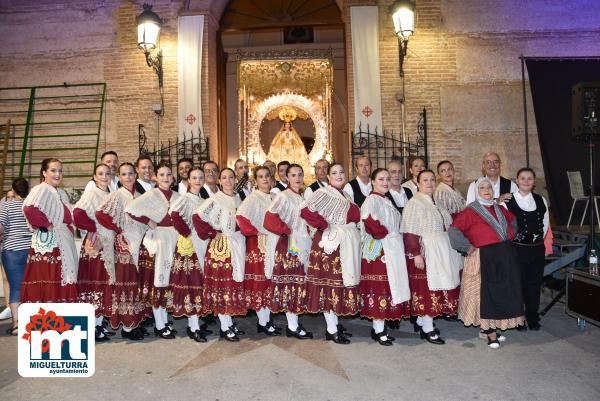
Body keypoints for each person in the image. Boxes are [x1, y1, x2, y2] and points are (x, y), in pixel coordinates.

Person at [449, 177, 525, 348]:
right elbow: (454, 231)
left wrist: (509, 236)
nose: (487, 190)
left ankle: (492, 327)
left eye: (489, 187)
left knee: (500, 294)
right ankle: (488, 331)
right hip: (483, 257)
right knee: (485, 295)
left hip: (503, 256)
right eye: (482, 187)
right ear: (477, 191)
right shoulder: (470, 211)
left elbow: (514, 222)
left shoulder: (500, 209)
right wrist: (466, 247)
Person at [400, 170, 462, 345]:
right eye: (425, 180)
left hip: (441, 249)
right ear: (417, 183)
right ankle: (428, 328)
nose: (429, 183)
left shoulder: (438, 202)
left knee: (438, 286)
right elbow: (409, 230)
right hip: (426, 251)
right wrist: (416, 253)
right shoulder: (415, 203)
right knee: (427, 291)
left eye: (432, 180)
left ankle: (421, 322)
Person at [302, 162, 361, 344]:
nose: (339, 175)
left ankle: (334, 324)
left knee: (340, 284)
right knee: (331, 286)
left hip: (344, 244)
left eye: (341, 172)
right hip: (330, 246)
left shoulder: (345, 194)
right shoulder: (323, 193)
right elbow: (305, 211)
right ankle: (331, 329)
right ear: (328, 177)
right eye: (334, 173)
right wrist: (325, 226)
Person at [126, 163, 181, 339]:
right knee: (159, 279)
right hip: (159, 239)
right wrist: (148, 220)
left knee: (170, 280)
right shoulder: (151, 195)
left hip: (175, 238)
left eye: (169, 174)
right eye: (162, 175)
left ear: (173, 177)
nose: (166, 178)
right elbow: (131, 209)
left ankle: (164, 319)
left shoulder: (179, 196)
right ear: (156, 177)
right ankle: (159, 324)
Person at [96, 163, 148, 340]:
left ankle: (135, 321)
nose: (128, 177)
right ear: (120, 177)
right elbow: (100, 213)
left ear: (135, 175)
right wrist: (118, 227)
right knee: (126, 283)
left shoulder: (140, 195)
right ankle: (127, 326)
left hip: (141, 244)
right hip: (125, 245)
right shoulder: (117, 195)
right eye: (124, 174)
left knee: (137, 284)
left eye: (131, 173)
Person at [193, 168, 246, 341]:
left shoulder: (239, 198)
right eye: (224, 178)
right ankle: (225, 326)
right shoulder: (215, 199)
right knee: (223, 286)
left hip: (237, 244)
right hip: (221, 249)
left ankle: (229, 323)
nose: (228, 181)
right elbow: (197, 217)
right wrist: (211, 233)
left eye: (231, 177)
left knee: (232, 286)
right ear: (219, 180)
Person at [360, 169, 411, 346]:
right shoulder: (372, 199)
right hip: (380, 250)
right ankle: (378, 329)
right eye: (381, 179)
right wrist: (383, 234)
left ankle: (380, 328)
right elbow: (367, 219)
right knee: (380, 287)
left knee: (389, 287)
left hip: (392, 247)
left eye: (388, 179)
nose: (385, 182)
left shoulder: (386, 199)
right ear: (373, 181)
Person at [264, 164, 313, 339]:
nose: (297, 178)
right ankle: (292, 326)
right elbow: (269, 218)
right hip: (289, 246)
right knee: (291, 284)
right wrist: (287, 230)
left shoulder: (301, 198)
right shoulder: (282, 196)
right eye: (293, 175)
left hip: (302, 243)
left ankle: (294, 322)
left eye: (300, 174)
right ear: (287, 177)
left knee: (298, 282)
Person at [21, 158, 79, 303]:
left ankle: (63, 319)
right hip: (51, 245)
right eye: (53, 170)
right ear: (44, 173)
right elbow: (29, 208)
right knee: (51, 278)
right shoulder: (41, 189)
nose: (57, 174)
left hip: (63, 242)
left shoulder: (60, 192)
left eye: (60, 170)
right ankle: (48, 318)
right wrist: (46, 225)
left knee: (63, 278)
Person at [236, 166, 281, 336]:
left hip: (274, 242)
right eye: (260, 176)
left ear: (272, 178)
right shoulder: (253, 198)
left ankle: (267, 320)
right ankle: (263, 322)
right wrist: (255, 232)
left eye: (267, 176)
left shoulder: (275, 197)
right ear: (255, 180)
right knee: (261, 283)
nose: (264, 179)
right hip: (259, 244)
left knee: (270, 282)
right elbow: (240, 217)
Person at [169, 167, 211, 342]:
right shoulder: (184, 198)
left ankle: (195, 323)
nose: (198, 180)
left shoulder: (202, 199)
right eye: (194, 177)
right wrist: (186, 232)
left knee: (199, 284)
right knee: (191, 285)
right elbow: (174, 214)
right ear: (189, 179)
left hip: (202, 244)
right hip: (189, 248)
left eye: (201, 177)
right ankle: (193, 327)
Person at [504, 168, 549, 331]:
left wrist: (536, 242)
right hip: (517, 249)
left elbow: (545, 223)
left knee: (534, 284)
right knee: (518, 284)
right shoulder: (507, 201)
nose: (526, 181)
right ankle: (518, 319)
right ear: (517, 180)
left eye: (529, 178)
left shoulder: (540, 199)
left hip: (536, 249)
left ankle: (532, 317)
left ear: (534, 181)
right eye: (522, 178)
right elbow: (504, 226)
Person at [73, 164, 113, 342]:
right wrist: (94, 227)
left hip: (108, 244)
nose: (104, 177)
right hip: (95, 244)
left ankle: (99, 323)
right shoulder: (91, 194)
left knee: (104, 284)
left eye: (107, 174)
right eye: (100, 174)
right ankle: (92, 326)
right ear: (94, 177)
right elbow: (78, 213)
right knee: (95, 284)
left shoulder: (110, 194)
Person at [0, 179, 31, 335]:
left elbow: (1, 226)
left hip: (11, 251)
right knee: (32, 287)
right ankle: (33, 321)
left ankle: (17, 325)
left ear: (13, 190)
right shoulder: (31, 205)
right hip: (31, 251)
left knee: (15, 288)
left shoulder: (6, 204)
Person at [0, 189, 15, 322]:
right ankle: (8, 306)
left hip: (18, 249)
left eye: (13, 196)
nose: (10, 199)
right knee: (5, 277)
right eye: (8, 197)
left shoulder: (21, 208)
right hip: (5, 247)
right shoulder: (3, 208)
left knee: (16, 280)